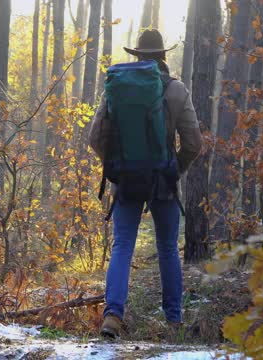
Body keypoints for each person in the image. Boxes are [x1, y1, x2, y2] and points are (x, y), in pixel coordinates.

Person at [89, 29, 203, 338]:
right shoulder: (177, 90)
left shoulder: (117, 89)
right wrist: (173, 169)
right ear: (164, 56)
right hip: (163, 182)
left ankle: (112, 316)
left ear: (137, 56)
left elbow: (95, 137)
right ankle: (174, 321)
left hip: (125, 180)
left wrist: (116, 167)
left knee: (122, 245)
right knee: (167, 247)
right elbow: (194, 143)